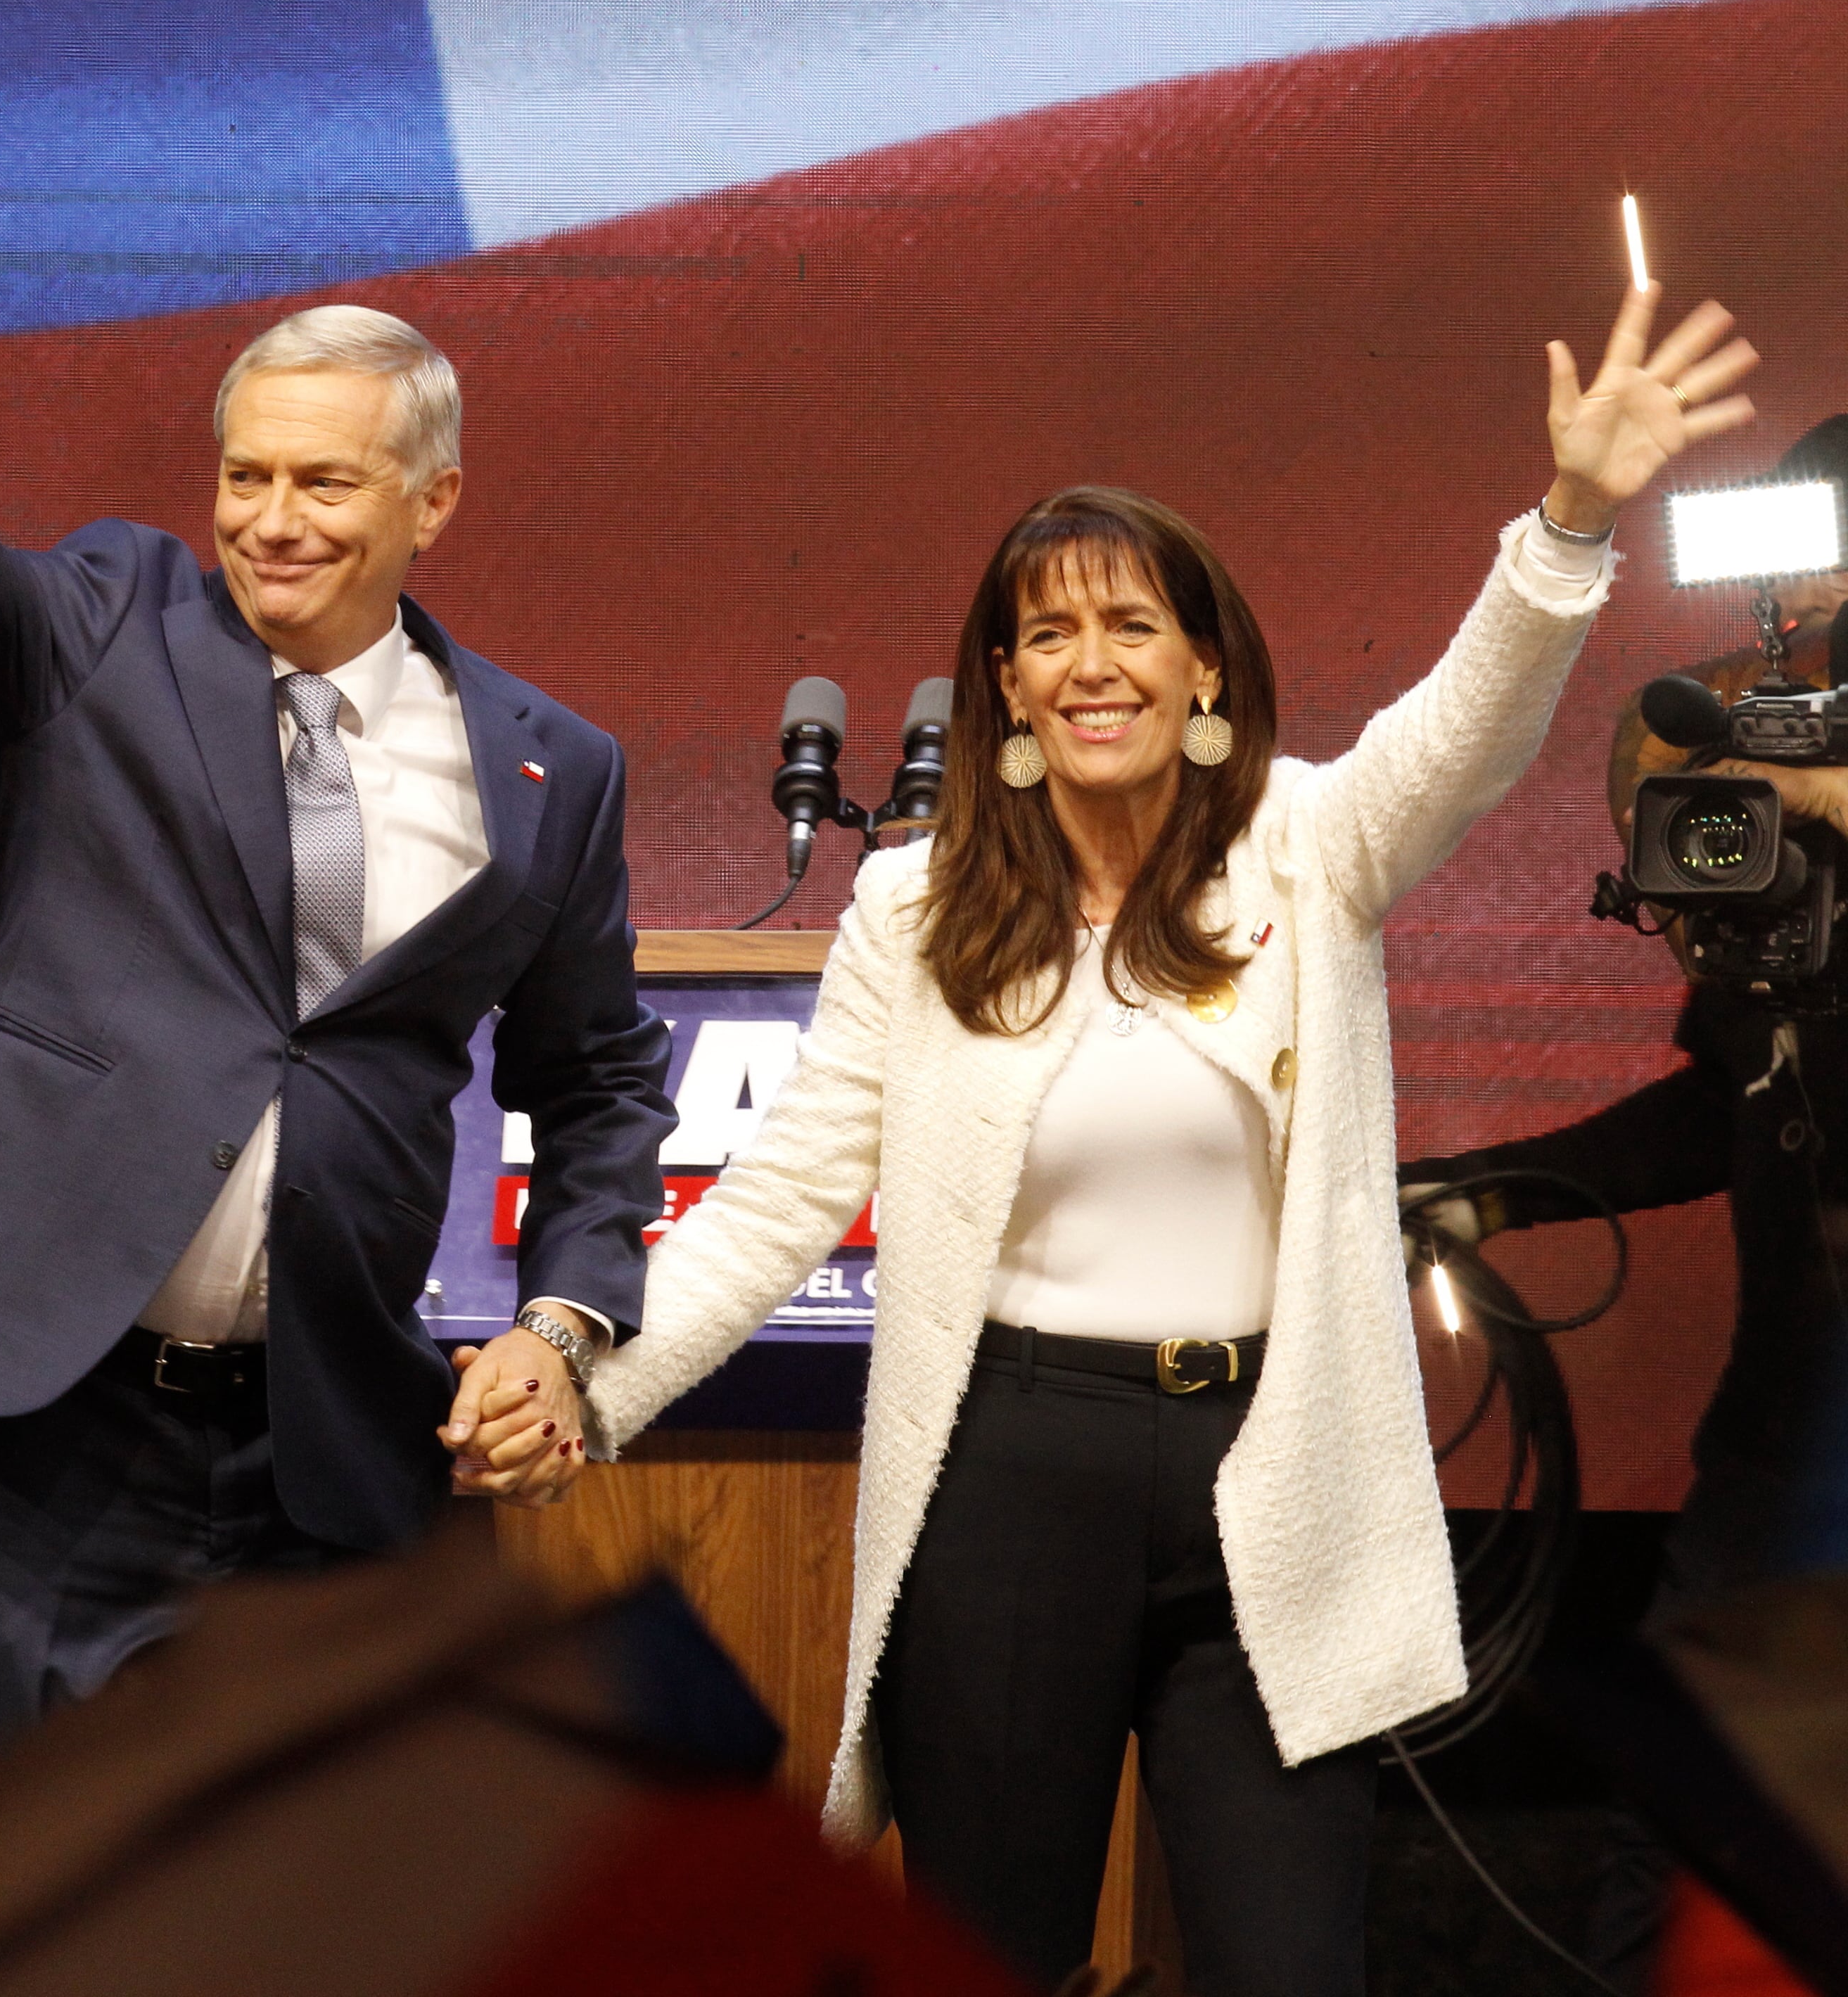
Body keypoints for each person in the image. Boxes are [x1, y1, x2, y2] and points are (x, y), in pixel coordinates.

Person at [575, 282, 1758, 1991]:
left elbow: (1473, 728)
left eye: (1130, 626)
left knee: (1288, 1968)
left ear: (1205, 662)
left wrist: (1570, 518)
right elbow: (780, 1199)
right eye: (1047, 636)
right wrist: (594, 1389)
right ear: (1004, 682)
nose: (1090, 665)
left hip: (1266, 1477)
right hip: (1007, 1477)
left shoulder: (1311, 845)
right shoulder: (911, 908)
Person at [0, 94, 666, 1761]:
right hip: (58, 1428)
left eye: (324, 481)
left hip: (331, 1441)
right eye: (245, 474)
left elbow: (596, 1081)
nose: (271, 518)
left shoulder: (550, 765)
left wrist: (559, 1323)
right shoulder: (104, 632)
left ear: (433, 502)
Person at [1398, 413, 1848, 1993]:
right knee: (1691, 1818)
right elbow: (1720, 1110)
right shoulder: (1765, 794)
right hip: (1785, 1430)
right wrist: (1487, 1195)